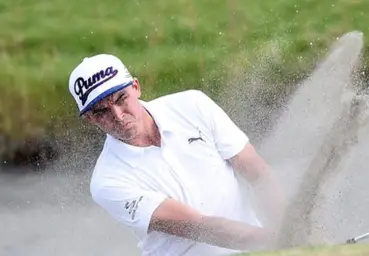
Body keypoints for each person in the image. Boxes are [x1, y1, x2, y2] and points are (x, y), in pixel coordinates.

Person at [68, 54, 286, 256]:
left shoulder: (192, 106)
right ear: (90, 119)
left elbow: (257, 173)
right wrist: (280, 239)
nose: (118, 115)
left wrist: (288, 229)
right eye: (101, 111)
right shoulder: (107, 181)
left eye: (120, 98)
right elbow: (199, 226)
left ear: (136, 87)